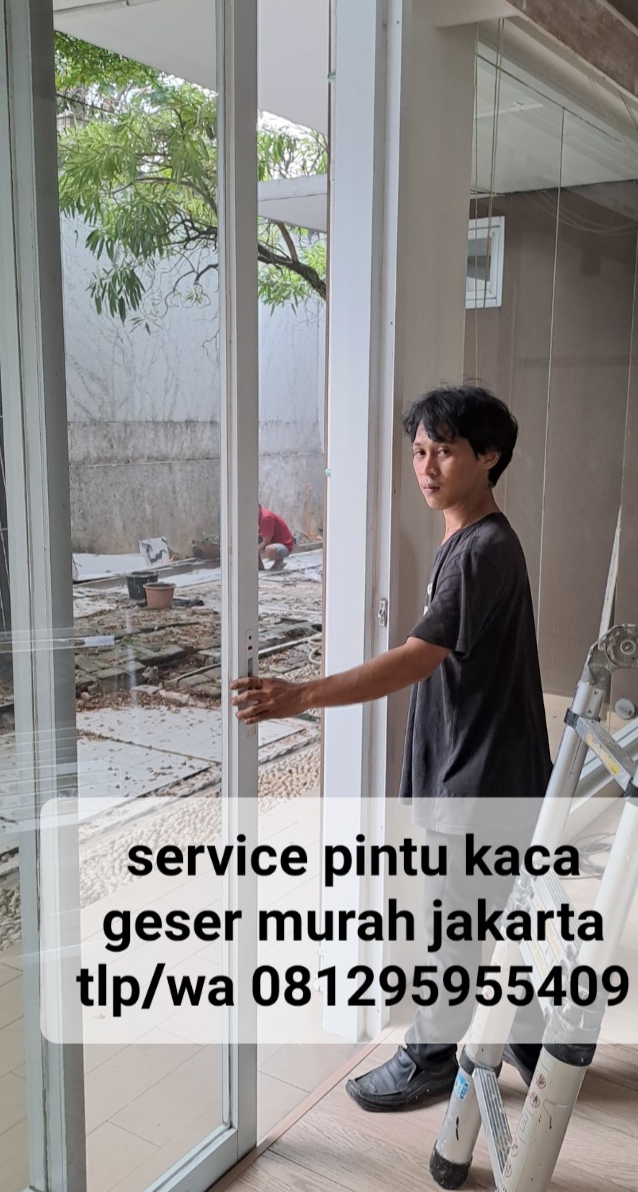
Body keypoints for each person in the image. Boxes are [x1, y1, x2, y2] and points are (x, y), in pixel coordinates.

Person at [232, 385, 552, 1111]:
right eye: (419, 450)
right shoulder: (474, 539)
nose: (426, 467)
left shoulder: (479, 552)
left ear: (488, 456)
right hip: (488, 766)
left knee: (452, 923)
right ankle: (534, 1048)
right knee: (494, 914)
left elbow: (415, 659)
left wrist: (300, 695)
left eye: (444, 451)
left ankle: (430, 1060)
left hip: (479, 776)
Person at [258, 503, 294, 571]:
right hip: (273, 542)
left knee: (269, 550)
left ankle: (279, 561)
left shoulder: (266, 518)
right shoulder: (258, 515)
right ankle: (259, 566)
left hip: (284, 546)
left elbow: (266, 541)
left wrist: (255, 550)